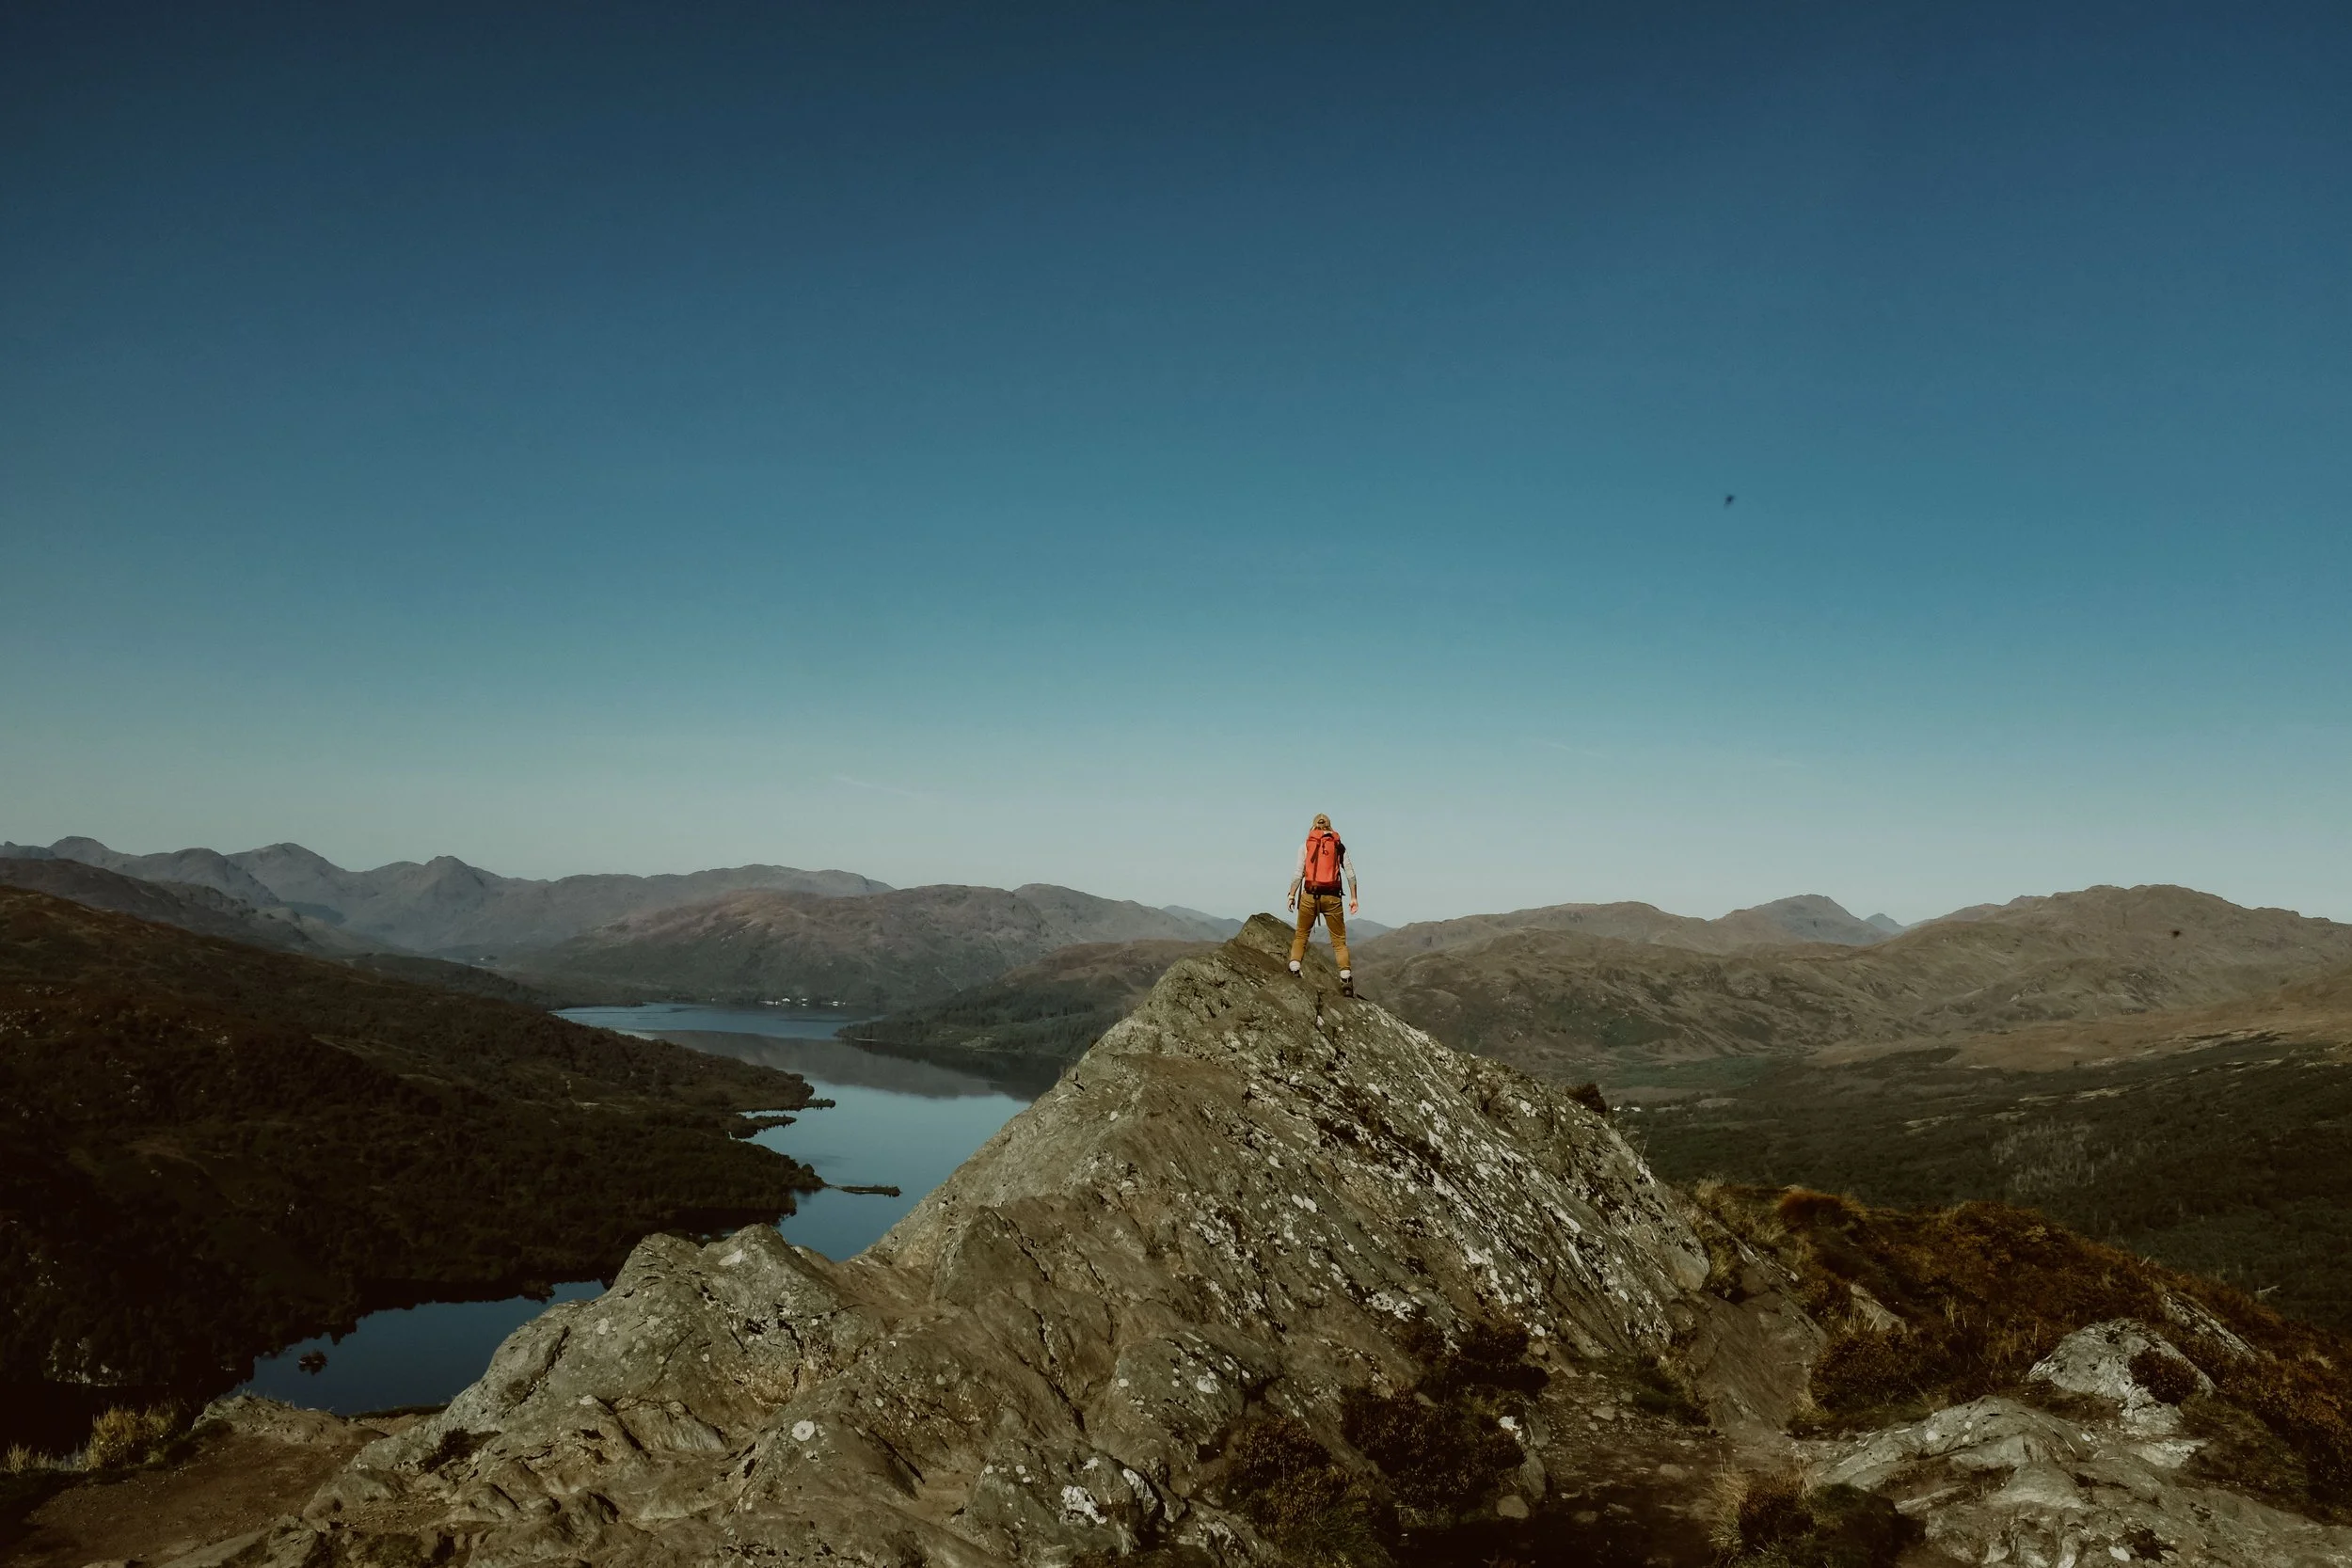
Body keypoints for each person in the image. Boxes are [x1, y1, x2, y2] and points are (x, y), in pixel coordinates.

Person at [1287, 813, 1360, 995]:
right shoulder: (1338, 845)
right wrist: (1353, 897)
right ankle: (1346, 980)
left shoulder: (1305, 845)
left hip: (1310, 896)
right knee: (1338, 942)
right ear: (1330, 826)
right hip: (1333, 897)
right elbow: (1350, 874)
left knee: (1301, 934)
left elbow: (1298, 873)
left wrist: (1291, 895)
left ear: (1313, 826)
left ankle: (1294, 968)